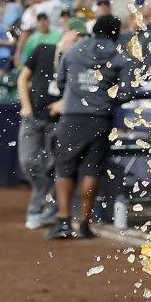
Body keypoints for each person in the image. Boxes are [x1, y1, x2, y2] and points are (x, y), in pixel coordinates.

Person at [46, 14, 135, 240]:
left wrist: (77, 95)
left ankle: (64, 221)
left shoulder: (73, 51)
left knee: (64, 168)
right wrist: (105, 99)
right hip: (99, 119)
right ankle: (85, 224)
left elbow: (60, 82)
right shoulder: (119, 56)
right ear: (115, 33)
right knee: (91, 170)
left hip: (72, 117)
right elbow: (126, 93)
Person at [17, 18, 86, 230]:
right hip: (33, 117)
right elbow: (22, 78)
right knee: (28, 161)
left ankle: (41, 208)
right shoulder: (43, 49)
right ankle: (47, 201)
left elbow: (79, 90)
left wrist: (64, 103)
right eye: (77, 36)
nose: (79, 41)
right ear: (68, 32)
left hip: (57, 121)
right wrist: (26, 105)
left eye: (83, 38)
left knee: (51, 166)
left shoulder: (77, 60)